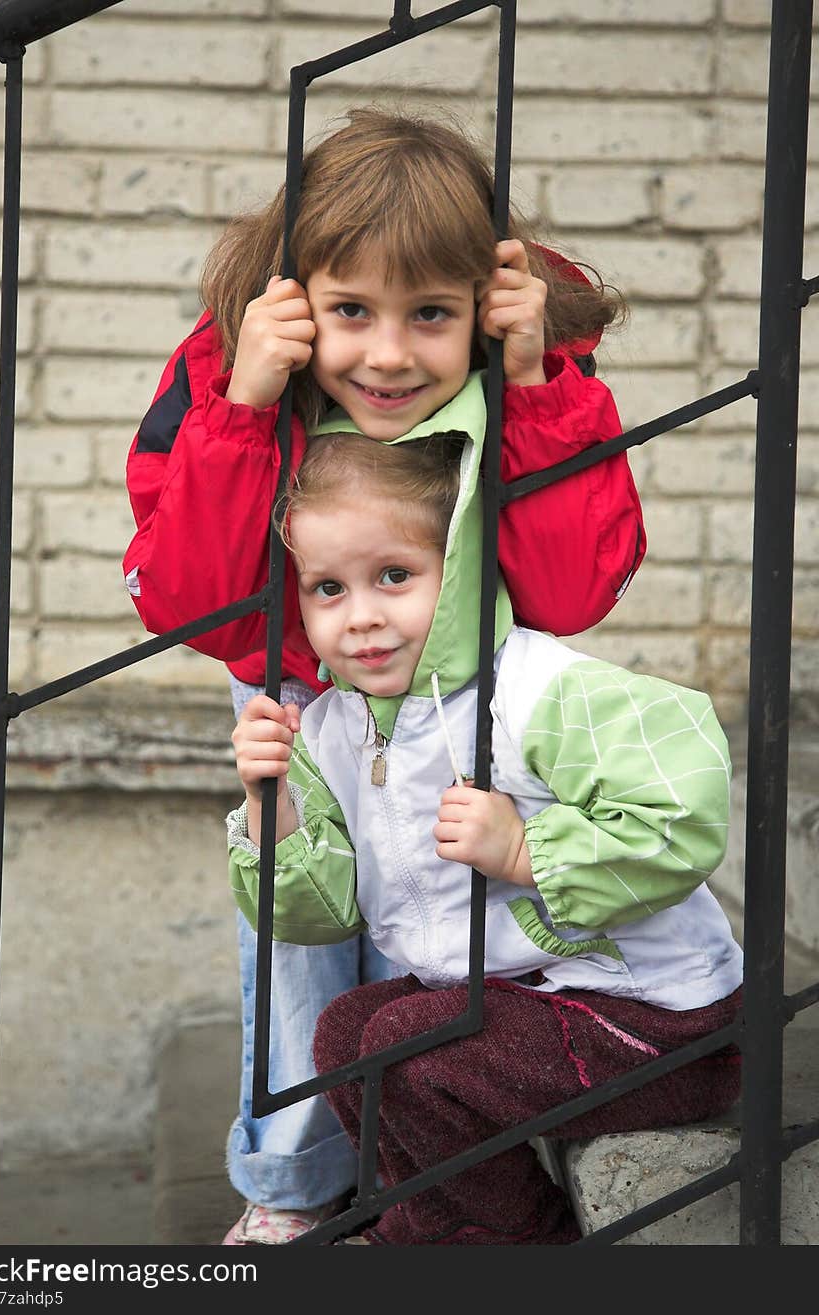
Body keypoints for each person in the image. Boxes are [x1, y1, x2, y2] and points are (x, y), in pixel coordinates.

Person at [122, 107, 647, 1244]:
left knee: (451, 914)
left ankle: (435, 1159)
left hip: (468, 696)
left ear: (479, 300)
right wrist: (247, 405)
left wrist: (535, 381)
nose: (390, 355)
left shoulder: (533, 356)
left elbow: (569, 592)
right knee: (306, 930)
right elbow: (194, 605)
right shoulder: (224, 361)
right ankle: (295, 1181)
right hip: (299, 681)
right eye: (351, 310)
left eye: (429, 315)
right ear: (297, 292)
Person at [227, 421, 743, 1246]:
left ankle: (517, 1241)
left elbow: (682, 801)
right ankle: (432, 1225)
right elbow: (321, 914)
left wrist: (525, 850)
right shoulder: (330, 729)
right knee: (344, 1030)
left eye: (394, 576)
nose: (359, 617)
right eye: (328, 588)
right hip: (514, 1003)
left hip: (652, 1019)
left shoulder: (532, 689)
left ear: (458, 569)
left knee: (402, 1045)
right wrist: (270, 802)